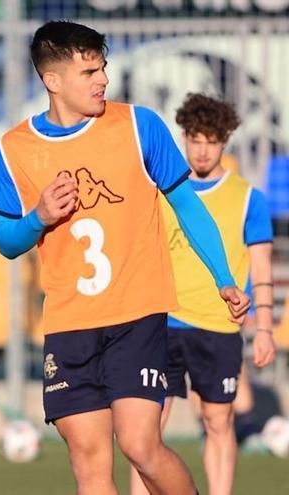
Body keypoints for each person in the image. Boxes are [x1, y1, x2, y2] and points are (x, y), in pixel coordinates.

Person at [0, 21, 250, 495]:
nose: (103, 79)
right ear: (53, 81)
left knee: (141, 446)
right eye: (89, 70)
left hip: (137, 315)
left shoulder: (139, 126)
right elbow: (6, 240)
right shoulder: (14, 149)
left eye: (103, 67)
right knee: (89, 465)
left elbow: (187, 205)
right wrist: (38, 217)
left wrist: (224, 277)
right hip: (70, 325)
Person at [129, 93, 276, 495]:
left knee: (218, 422)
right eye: (194, 139)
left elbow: (262, 270)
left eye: (211, 140)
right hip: (160, 323)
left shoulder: (249, 199)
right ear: (183, 138)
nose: (202, 149)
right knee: (146, 431)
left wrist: (264, 329)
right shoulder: (163, 194)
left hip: (217, 328)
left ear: (225, 141)